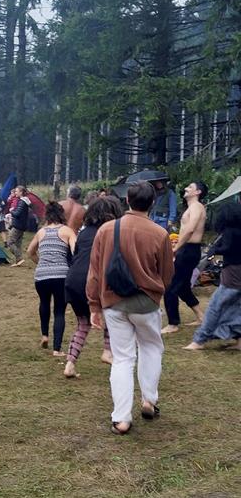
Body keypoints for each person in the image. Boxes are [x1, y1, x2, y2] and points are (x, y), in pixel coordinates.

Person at [87, 181, 174, 435]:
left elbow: (94, 273)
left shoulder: (106, 230)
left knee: (122, 358)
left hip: (113, 302)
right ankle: (149, 400)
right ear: (153, 202)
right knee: (151, 348)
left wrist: (94, 305)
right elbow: (167, 275)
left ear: (127, 201)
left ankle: (122, 419)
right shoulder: (160, 234)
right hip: (146, 303)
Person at [62, 197, 124, 378]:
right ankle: (108, 351)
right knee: (112, 316)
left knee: (83, 323)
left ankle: (70, 364)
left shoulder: (83, 232)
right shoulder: (111, 232)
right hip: (93, 280)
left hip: (73, 280)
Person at [184, 202, 241, 351]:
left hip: (233, 274)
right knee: (237, 306)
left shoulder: (229, 232)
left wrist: (214, 252)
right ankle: (240, 341)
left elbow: (225, 250)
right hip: (237, 272)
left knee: (216, 306)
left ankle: (199, 340)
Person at [27, 202, 77, 356]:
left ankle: (44, 335)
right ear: (62, 214)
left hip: (41, 275)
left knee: (44, 303)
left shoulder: (41, 232)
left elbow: (30, 251)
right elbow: (76, 252)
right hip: (61, 275)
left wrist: (40, 262)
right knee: (59, 311)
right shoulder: (67, 231)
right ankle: (56, 349)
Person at [161, 181, 208, 334]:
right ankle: (201, 316)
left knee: (170, 286)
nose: (186, 189)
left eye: (190, 187)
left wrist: (176, 247)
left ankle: (173, 324)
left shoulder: (197, 207)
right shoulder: (191, 207)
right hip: (187, 249)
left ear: (198, 192)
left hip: (188, 250)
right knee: (182, 286)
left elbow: (190, 230)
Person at [7, 186, 33, 266]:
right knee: (18, 243)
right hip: (22, 225)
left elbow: (17, 214)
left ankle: (20, 258)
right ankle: (18, 261)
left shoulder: (22, 202)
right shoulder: (26, 201)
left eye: (16, 191)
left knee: (10, 242)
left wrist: (11, 211)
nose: (15, 193)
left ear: (21, 192)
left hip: (18, 225)